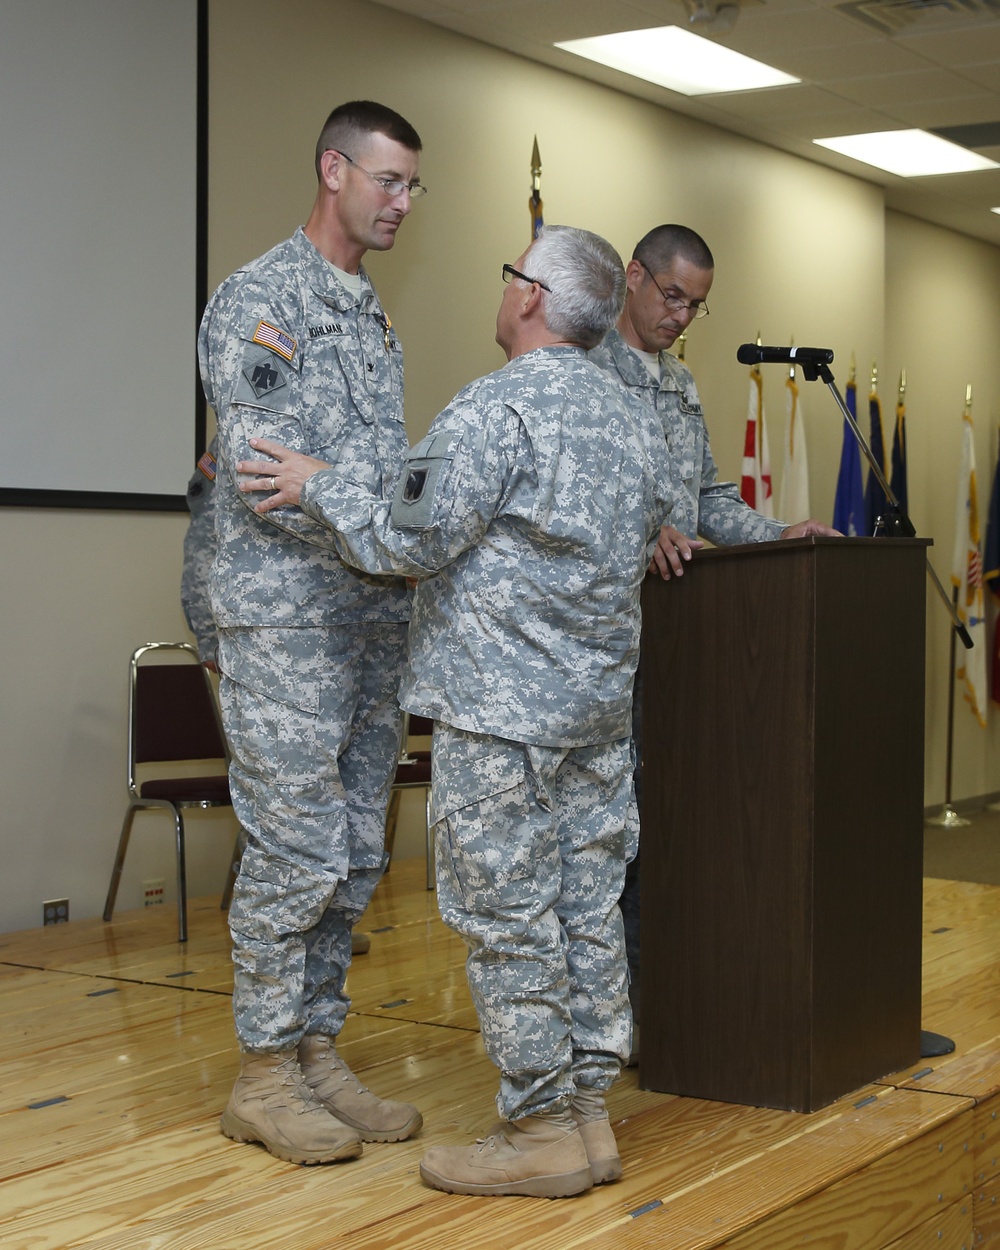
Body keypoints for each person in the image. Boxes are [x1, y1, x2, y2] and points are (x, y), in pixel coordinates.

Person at [235, 225, 671, 1198]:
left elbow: (405, 533)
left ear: (527, 297)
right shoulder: (634, 420)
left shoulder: (497, 407)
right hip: (597, 715)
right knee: (585, 908)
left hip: (500, 712)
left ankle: (539, 1126)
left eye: (511, 273)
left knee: (510, 911)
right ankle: (587, 1113)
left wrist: (318, 482)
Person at [197, 100, 426, 1166]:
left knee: (354, 849)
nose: (401, 202)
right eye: (387, 180)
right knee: (295, 845)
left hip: (369, 613)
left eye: (412, 186)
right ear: (333, 169)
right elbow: (262, 478)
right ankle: (263, 1069)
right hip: (285, 612)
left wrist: (356, 493)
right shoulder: (261, 298)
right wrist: (357, 493)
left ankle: (316, 1043)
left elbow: (344, 476)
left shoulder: (370, 312)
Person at [588, 223, 839, 1039]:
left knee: (668, 827)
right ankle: (611, 1019)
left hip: (677, 644)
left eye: (697, 306)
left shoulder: (680, 387)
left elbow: (706, 507)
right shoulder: (577, 371)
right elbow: (555, 508)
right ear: (632, 278)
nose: (683, 317)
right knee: (609, 840)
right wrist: (636, 536)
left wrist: (780, 536)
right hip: (592, 647)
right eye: (672, 296)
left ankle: (661, 1003)